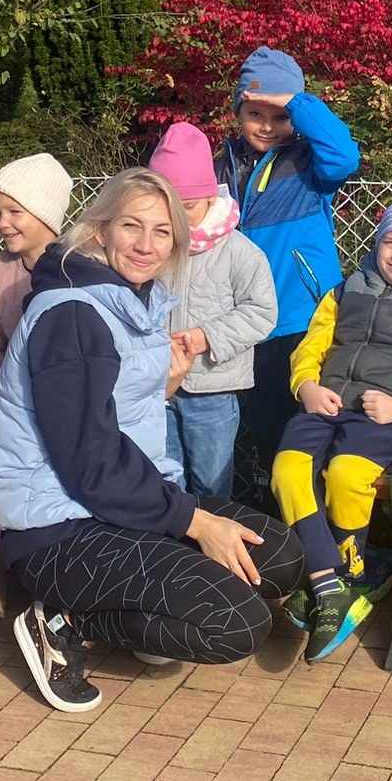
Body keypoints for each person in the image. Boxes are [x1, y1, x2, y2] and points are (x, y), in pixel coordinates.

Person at [0, 167, 304, 714]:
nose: (146, 245)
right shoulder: (73, 314)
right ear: (100, 229)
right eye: (132, 226)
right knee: (235, 622)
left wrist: (166, 389)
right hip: (55, 526)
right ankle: (61, 620)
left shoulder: (132, 301)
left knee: (279, 558)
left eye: (162, 232)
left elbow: (119, 419)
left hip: (114, 501)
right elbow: (89, 459)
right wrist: (194, 523)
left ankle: (147, 609)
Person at [273, 194, 392, 663]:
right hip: (323, 403)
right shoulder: (344, 290)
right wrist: (306, 385)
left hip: (381, 415)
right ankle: (335, 582)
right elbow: (311, 346)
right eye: (391, 242)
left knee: (348, 474)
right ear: (376, 242)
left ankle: (341, 574)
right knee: (288, 470)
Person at [213, 46, 360, 501]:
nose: (267, 126)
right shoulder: (223, 164)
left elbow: (345, 156)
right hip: (245, 317)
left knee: (302, 422)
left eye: (279, 116)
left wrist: (295, 101)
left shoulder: (308, 165)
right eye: (255, 114)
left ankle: (311, 510)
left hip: (299, 315)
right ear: (238, 112)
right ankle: (272, 509)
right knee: (261, 420)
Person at [0, 152, 75, 622]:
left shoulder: (77, 265)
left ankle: (50, 563)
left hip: (62, 395)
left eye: (14, 212)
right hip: (7, 394)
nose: (2, 224)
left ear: (45, 212)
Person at [149, 122, 276, 499]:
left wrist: (208, 336)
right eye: (167, 207)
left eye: (185, 207)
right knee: (165, 477)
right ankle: (173, 535)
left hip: (212, 388)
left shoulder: (239, 252)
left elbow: (261, 312)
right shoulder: (153, 247)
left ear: (208, 197)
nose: (176, 217)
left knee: (211, 481)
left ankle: (215, 532)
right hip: (158, 383)